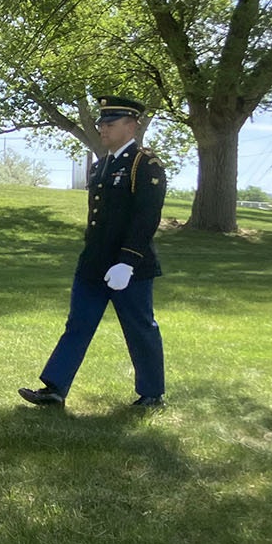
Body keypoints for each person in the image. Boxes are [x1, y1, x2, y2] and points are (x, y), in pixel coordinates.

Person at [19, 96, 167, 409]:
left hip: (129, 266)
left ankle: (152, 393)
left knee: (140, 328)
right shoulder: (102, 165)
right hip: (94, 263)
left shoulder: (144, 163)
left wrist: (127, 261)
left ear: (131, 125)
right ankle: (55, 387)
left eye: (109, 123)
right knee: (78, 325)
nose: (102, 128)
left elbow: (146, 216)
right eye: (101, 123)